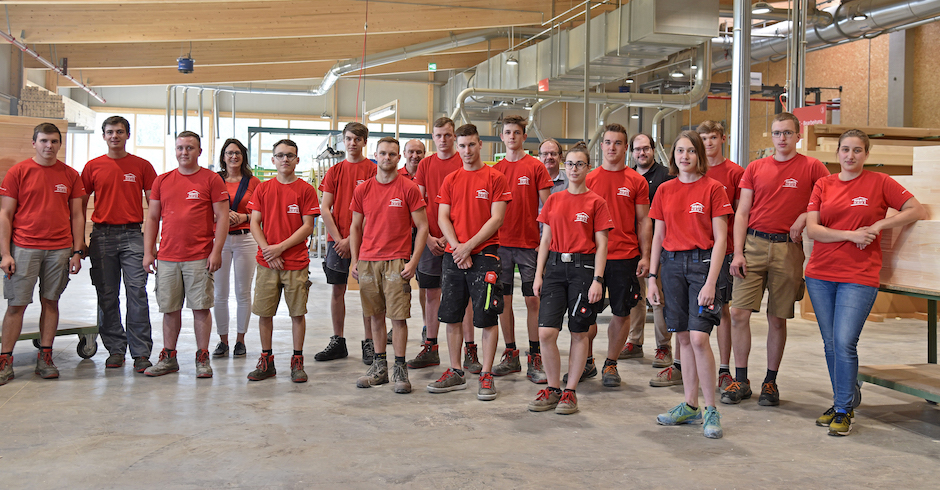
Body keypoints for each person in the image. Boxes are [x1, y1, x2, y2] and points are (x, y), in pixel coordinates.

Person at [805, 129, 925, 436]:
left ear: (866, 155)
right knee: (831, 344)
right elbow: (814, 230)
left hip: (859, 277)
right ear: (838, 153)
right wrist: (851, 235)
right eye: (845, 150)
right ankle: (842, 401)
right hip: (820, 274)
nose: (850, 156)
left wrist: (881, 223)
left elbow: (916, 209)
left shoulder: (880, 182)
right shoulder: (824, 183)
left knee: (845, 342)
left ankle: (844, 409)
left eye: (857, 150)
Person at [725, 112, 830, 406]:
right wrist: (737, 252)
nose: (781, 138)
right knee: (739, 313)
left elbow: (827, 201)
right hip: (753, 245)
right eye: (776, 133)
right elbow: (742, 212)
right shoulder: (755, 168)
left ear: (798, 136)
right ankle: (741, 379)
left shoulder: (813, 167)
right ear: (771, 137)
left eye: (787, 133)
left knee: (778, 318)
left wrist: (803, 216)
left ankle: (770, 382)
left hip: (788, 249)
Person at [649, 130, 731, 439]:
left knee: (698, 338)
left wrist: (711, 282)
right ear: (673, 157)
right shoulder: (665, 190)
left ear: (700, 155)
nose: (685, 156)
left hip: (702, 267)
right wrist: (652, 278)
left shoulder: (713, 189)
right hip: (671, 266)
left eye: (691, 151)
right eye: (680, 151)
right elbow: (658, 235)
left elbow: (721, 238)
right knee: (682, 338)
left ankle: (711, 408)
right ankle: (689, 404)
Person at [427, 123, 511, 401]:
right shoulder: (451, 179)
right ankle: (455, 370)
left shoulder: (495, 178)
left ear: (480, 145)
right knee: (451, 315)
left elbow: (496, 219)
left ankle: (486, 374)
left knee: (487, 317)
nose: (466, 151)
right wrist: (456, 248)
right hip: (455, 257)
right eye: (461, 146)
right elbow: (442, 217)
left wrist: (469, 247)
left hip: (484, 256)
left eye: (471, 145)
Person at [528, 143, 611, 415]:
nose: (574, 169)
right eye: (571, 164)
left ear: (588, 167)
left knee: (579, 331)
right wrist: (538, 275)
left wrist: (598, 279)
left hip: (583, 270)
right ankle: (552, 388)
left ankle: (570, 392)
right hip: (554, 268)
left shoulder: (596, 202)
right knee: (546, 332)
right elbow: (545, 239)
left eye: (580, 164)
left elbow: (602, 245)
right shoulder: (554, 199)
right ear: (564, 166)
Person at [0, 123, 85, 385]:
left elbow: (78, 215)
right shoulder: (19, 172)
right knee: (17, 305)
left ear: (60, 144)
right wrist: (5, 254)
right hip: (23, 248)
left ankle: (45, 357)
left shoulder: (70, 175)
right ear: (34, 143)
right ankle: (5, 360)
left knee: (51, 301)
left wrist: (77, 251)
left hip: (59, 250)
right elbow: (5, 214)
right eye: (44, 141)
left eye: (54, 141)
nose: (49, 146)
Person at [143, 131, 229, 378]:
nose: (184, 152)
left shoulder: (211, 180)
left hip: (199, 256)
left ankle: (202, 357)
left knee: (200, 308)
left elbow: (223, 217)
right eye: (180, 148)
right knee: (170, 309)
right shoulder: (162, 181)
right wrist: (149, 252)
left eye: (190, 148)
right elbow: (152, 217)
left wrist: (216, 251)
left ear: (199, 152)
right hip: (168, 257)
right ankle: (169, 357)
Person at [350, 137, 429, 393]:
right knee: (374, 316)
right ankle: (379, 367)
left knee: (398, 317)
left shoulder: (408, 188)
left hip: (396, 261)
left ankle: (400, 369)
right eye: (382, 154)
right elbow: (355, 226)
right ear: (375, 155)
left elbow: (423, 226)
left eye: (392, 154)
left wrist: (414, 262)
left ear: (399, 158)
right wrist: (355, 260)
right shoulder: (363, 190)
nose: (387, 158)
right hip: (368, 261)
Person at [81, 116, 157, 373]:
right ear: (103, 136)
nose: (115, 136)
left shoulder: (142, 166)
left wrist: (151, 243)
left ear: (127, 135)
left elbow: (155, 205)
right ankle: (115, 348)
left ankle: (140, 352)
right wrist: (79, 239)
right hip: (102, 236)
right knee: (107, 293)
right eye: (110, 132)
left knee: (137, 292)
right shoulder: (92, 167)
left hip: (133, 235)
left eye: (120, 132)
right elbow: (78, 205)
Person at [408, 118, 480, 374]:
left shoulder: (464, 161)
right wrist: (426, 237)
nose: (443, 140)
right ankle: (430, 347)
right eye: (438, 135)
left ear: (454, 137)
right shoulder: (426, 164)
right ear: (433, 137)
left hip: (460, 243)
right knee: (431, 294)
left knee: (467, 297)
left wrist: (458, 243)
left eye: (447, 135)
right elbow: (418, 203)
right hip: (431, 239)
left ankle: (470, 349)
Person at [580, 123, 650, 388]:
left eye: (618, 143)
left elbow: (644, 221)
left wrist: (645, 256)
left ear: (626, 148)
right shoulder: (588, 178)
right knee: (585, 314)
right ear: (602, 146)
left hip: (625, 256)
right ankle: (586, 361)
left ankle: (611, 363)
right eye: (608, 142)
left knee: (622, 313)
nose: (612, 147)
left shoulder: (636, 181)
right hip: (590, 257)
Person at [245, 139, 319, 383]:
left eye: (290, 155)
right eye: (280, 155)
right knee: (264, 314)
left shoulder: (306, 190)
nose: (285, 159)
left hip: (296, 262)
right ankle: (266, 361)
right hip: (267, 263)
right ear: (273, 160)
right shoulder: (263, 189)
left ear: (297, 160)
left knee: (297, 314)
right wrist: (268, 250)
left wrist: (280, 249)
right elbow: (255, 222)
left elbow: (307, 226)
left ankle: (297, 360)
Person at [492, 115, 553, 384]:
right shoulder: (495, 171)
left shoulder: (535, 167)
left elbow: (549, 208)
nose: (512, 136)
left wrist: (546, 240)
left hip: (529, 245)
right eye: (507, 132)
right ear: (502, 137)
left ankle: (535, 354)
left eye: (517, 132)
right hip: (501, 244)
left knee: (532, 300)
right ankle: (510, 352)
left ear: (523, 137)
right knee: (503, 300)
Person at [317, 122, 378, 364]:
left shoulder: (373, 171)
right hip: (337, 241)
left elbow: (373, 210)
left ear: (365, 142)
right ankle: (338, 341)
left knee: (368, 292)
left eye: (357, 139)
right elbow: (324, 207)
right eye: (349, 138)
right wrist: (340, 239)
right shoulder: (335, 172)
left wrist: (352, 240)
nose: (352, 143)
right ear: (343, 140)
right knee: (337, 290)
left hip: (366, 243)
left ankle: (369, 342)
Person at [623, 133, 677, 386]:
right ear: (631, 152)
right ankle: (634, 342)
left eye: (646, 149)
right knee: (636, 296)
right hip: (632, 246)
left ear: (653, 150)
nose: (641, 153)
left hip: (661, 246)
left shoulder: (667, 176)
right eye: (637, 149)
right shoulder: (629, 177)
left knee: (658, 298)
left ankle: (663, 346)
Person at [696, 120, 744, 394]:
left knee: (723, 310)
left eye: (713, 137)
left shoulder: (735, 173)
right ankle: (684, 364)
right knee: (692, 314)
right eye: (703, 138)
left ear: (722, 139)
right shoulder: (692, 170)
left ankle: (724, 369)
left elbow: (739, 215)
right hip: (694, 252)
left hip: (723, 252)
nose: (708, 142)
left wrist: (737, 251)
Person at [212, 138, 261, 359]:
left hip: (245, 239)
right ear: (223, 157)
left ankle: (240, 340)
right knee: (219, 293)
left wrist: (244, 216)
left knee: (243, 292)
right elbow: (203, 208)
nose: (234, 157)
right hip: (219, 241)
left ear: (243, 157)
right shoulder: (214, 180)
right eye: (229, 153)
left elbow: (263, 213)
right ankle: (223, 340)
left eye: (238, 153)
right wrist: (219, 215)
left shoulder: (254, 183)